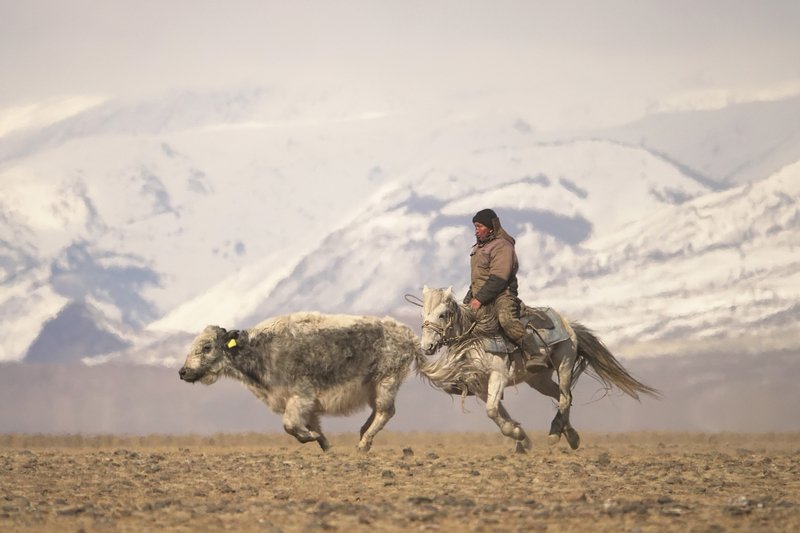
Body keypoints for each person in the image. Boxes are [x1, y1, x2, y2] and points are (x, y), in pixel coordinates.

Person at [463, 208, 548, 372]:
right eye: (475, 227)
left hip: (502, 294)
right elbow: (477, 280)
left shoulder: (502, 246)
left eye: (479, 226)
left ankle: (536, 354)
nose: (476, 230)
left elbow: (499, 278)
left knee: (506, 320)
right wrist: (468, 300)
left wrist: (479, 299)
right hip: (481, 295)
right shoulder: (478, 248)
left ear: (490, 227)